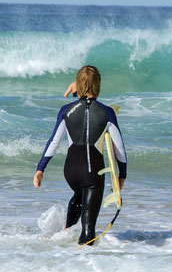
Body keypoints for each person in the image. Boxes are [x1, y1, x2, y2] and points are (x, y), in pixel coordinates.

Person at [33, 65, 127, 245]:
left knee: (80, 193)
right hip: (93, 173)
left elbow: (53, 141)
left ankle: (66, 233)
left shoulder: (65, 110)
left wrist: (40, 168)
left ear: (78, 86)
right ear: (98, 86)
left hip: (71, 172)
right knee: (88, 228)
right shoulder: (107, 113)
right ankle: (83, 262)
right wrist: (121, 175)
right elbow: (119, 148)